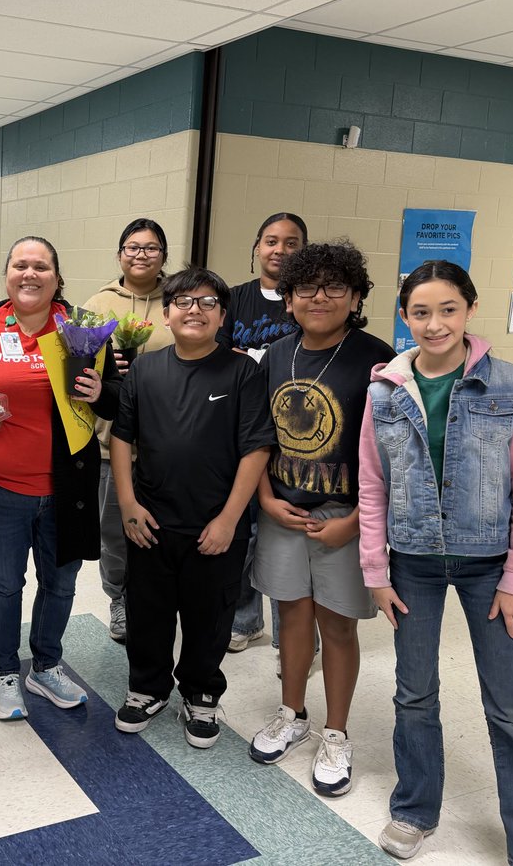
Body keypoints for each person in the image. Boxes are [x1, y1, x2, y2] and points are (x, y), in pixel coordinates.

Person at [359, 262, 513, 863]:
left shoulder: (509, 385)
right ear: (404, 317)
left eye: (448, 309)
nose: (435, 323)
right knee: (414, 693)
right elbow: (372, 486)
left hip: (489, 567)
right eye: (421, 312)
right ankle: (415, 808)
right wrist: (376, 570)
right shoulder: (384, 392)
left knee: (508, 705)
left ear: (469, 310)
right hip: (412, 565)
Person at [0, 236, 121, 721]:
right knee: (6, 584)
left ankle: (47, 666)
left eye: (40, 266)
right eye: (20, 266)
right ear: (7, 274)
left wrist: (101, 392)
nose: (29, 274)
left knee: (60, 585)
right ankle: (6, 673)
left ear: (57, 277)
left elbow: (118, 397)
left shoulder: (83, 329)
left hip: (66, 491)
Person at [248, 242, 394, 798]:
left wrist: (356, 521)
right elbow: (257, 436)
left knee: (337, 624)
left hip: (346, 516)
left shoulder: (378, 361)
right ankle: (293, 712)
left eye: (336, 287)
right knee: (290, 620)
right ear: (287, 299)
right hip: (284, 510)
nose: (320, 298)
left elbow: (391, 455)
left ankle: (336, 731)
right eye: (306, 288)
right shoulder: (276, 355)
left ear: (356, 297)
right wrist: (264, 497)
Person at [110, 268, 272, 748]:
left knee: (210, 616)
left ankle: (201, 694)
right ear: (166, 313)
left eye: (206, 303)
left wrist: (228, 519)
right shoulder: (145, 369)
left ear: (223, 315)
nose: (194, 310)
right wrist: (127, 504)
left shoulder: (243, 371)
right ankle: (147, 687)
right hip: (151, 522)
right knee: (147, 611)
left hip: (216, 526)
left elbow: (256, 449)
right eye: (183, 301)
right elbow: (123, 438)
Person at [220, 213, 308, 664]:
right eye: (271, 240)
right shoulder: (234, 299)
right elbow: (219, 353)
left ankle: (292, 636)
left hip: (298, 434)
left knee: (286, 530)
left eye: (291, 243)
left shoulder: (307, 301)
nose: (280, 250)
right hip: (246, 428)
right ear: (257, 246)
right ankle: (244, 619)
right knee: (245, 527)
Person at [81, 218, 174, 643]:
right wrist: (106, 366)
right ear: (120, 254)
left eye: (151, 248)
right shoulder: (98, 302)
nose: (141, 255)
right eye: (133, 247)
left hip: (169, 441)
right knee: (115, 531)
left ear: (163, 256)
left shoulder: (179, 299)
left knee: (166, 529)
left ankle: (156, 600)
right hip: (110, 440)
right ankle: (117, 598)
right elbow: (77, 364)